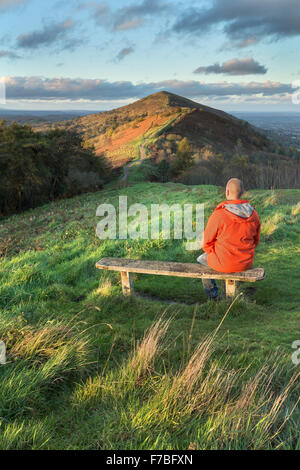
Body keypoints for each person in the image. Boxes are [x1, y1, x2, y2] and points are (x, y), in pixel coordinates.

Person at [197, 178, 261, 299]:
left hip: (223, 262)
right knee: (233, 263)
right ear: (243, 192)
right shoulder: (254, 214)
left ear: (227, 192)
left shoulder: (219, 215)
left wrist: (213, 250)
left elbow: (206, 243)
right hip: (245, 262)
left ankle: (213, 295)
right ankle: (233, 296)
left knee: (201, 259)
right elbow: (255, 241)